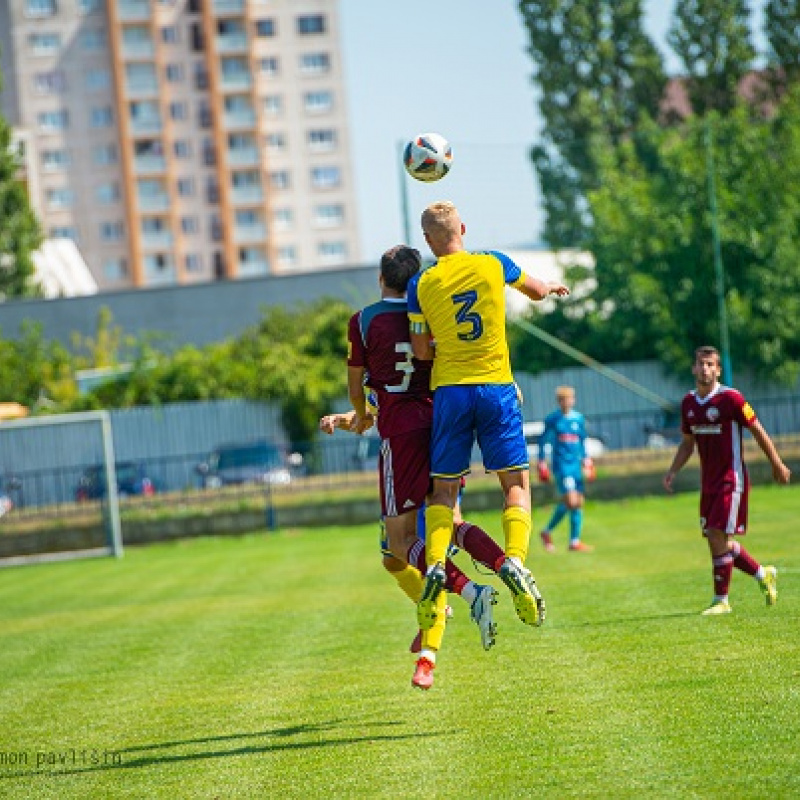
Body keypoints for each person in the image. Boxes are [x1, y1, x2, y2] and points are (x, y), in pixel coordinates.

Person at [340, 244, 511, 689]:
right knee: (446, 524)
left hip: (400, 432)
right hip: (443, 421)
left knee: (400, 544)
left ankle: (469, 595)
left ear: (381, 278)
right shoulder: (432, 308)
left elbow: (357, 383)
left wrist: (357, 413)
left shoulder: (364, 320)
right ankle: (502, 570)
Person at [407, 200, 570, 647]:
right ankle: (515, 560)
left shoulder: (421, 283)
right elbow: (536, 290)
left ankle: (438, 565)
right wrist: (551, 286)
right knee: (514, 484)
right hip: (497, 388)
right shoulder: (493, 262)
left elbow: (421, 353)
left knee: (443, 491)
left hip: (451, 393)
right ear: (462, 226)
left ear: (428, 241)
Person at [663, 345, 791, 615]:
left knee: (715, 535)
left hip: (731, 480)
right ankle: (761, 573)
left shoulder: (731, 399)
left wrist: (776, 463)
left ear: (718, 370)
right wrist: (673, 470)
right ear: (694, 368)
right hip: (707, 483)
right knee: (717, 540)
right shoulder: (688, 404)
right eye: (701, 363)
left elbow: (757, 429)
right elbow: (688, 443)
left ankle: (721, 601)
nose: (706, 368)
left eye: (711, 364)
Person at [537, 386, 595, 552]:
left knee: (578, 503)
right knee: (571, 501)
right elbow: (543, 441)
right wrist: (541, 462)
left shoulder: (578, 419)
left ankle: (572, 541)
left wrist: (587, 461)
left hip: (575, 465)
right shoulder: (553, 419)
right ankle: (552, 533)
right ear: (559, 401)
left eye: (570, 398)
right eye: (563, 399)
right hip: (561, 465)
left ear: (573, 400)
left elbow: (583, 441)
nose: (567, 402)